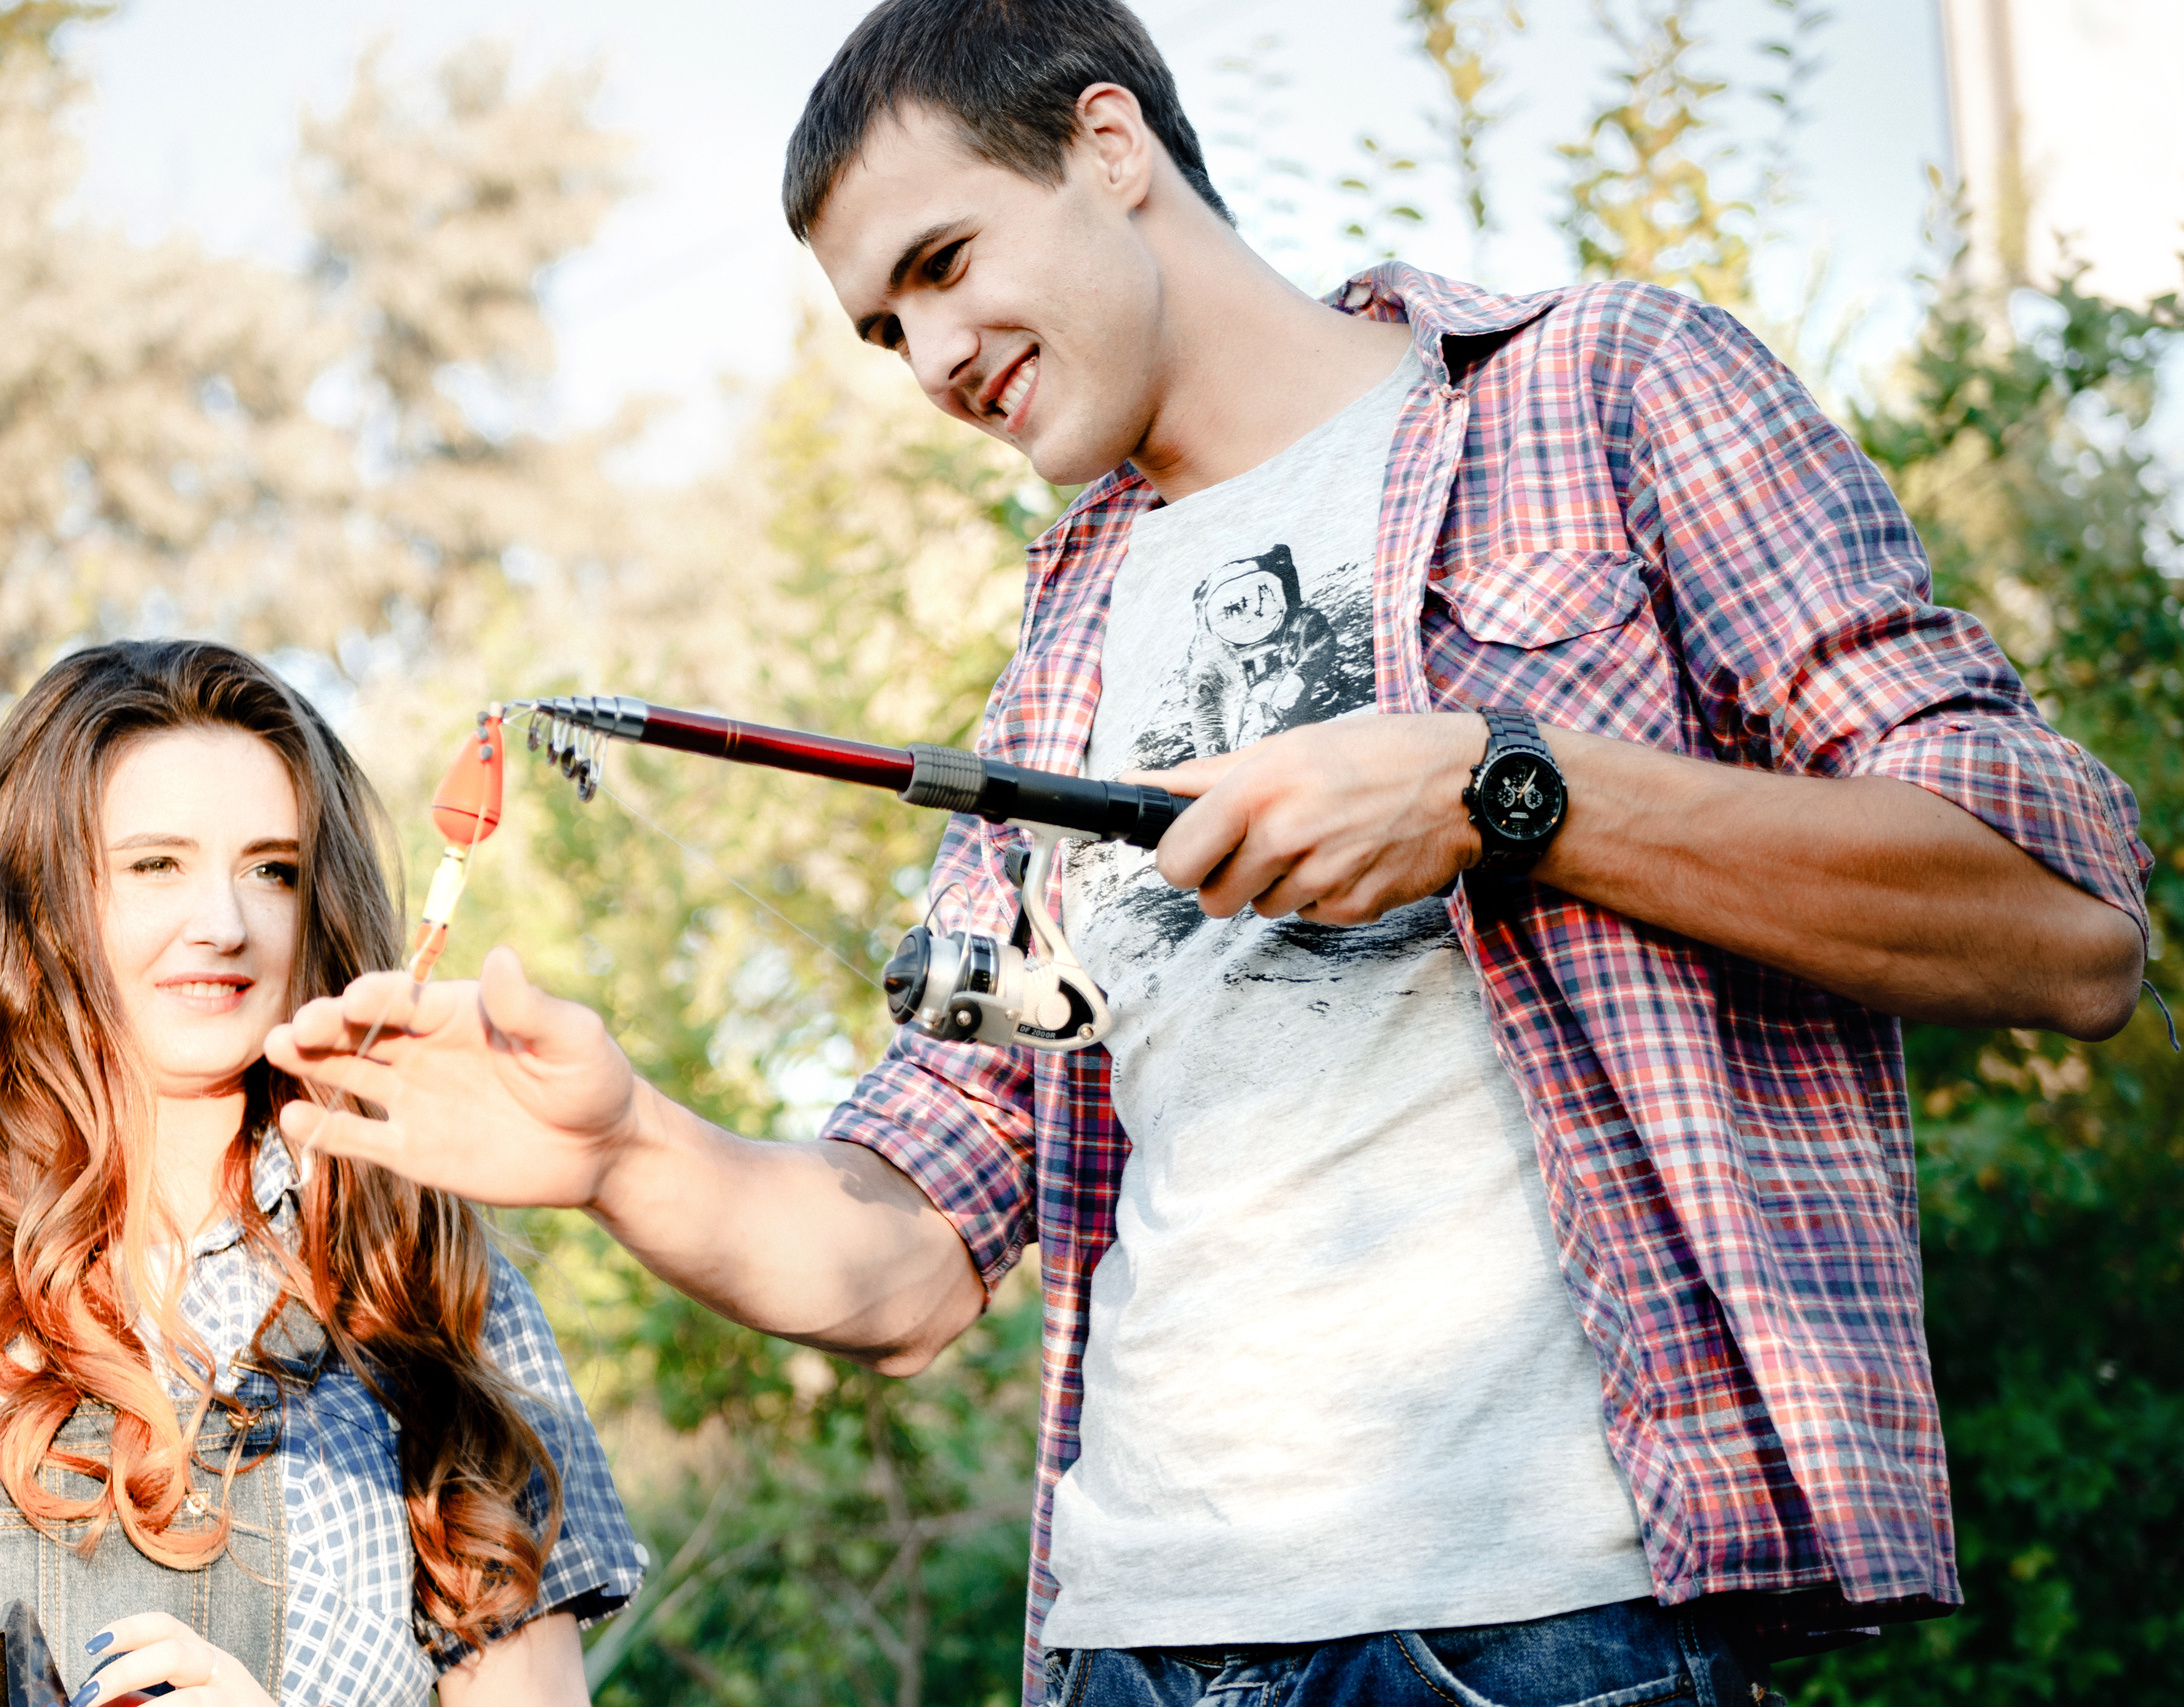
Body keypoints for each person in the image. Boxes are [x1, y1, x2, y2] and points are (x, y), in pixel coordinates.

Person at [266, 3, 2155, 1705]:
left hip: (1546, 1629)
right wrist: (621, 1152)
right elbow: (913, 1254)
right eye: (883, 326)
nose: (931, 357)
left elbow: (2062, 920)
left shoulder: (1610, 387)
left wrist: (1506, 793)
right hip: (1132, 1644)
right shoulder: (1054, 649)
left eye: (943, 262)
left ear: (1110, 144)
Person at [0, 640, 642, 1707]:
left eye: (273, 870)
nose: (224, 924)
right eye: (157, 865)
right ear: (43, 903)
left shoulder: (429, 1291)